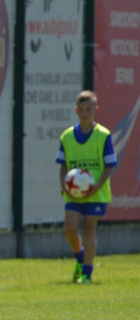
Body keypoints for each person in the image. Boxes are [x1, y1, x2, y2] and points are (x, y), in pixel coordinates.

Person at [57, 90, 117, 284]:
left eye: (88, 109)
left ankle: (87, 274)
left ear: (95, 110)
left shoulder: (103, 135)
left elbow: (109, 165)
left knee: (89, 229)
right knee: (70, 228)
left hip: (96, 193)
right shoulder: (67, 136)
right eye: (81, 109)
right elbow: (63, 165)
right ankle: (80, 257)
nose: (85, 113)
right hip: (73, 193)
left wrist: (97, 186)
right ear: (76, 110)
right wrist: (64, 185)